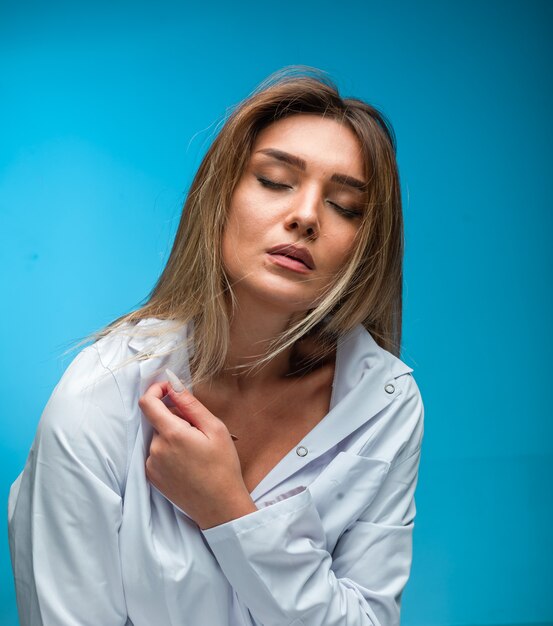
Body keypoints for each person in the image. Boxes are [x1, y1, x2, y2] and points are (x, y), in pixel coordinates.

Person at [8, 67, 424, 626]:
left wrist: (228, 508)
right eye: (276, 180)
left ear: (365, 247)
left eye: (345, 207)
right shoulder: (99, 393)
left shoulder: (385, 401)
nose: (305, 216)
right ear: (219, 197)